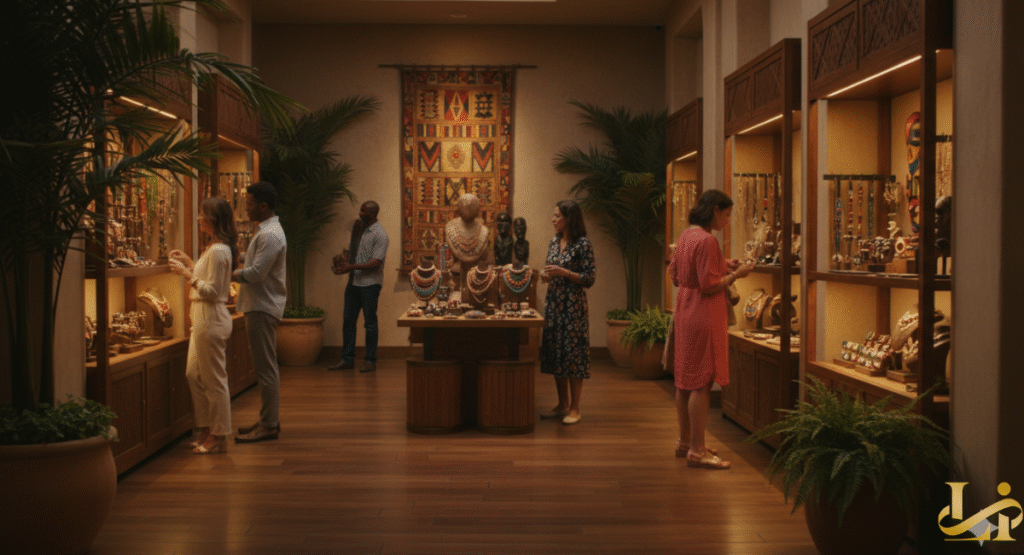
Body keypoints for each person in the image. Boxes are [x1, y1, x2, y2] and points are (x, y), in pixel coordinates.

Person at [670, 189, 751, 469]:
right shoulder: (707, 240)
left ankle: (685, 442)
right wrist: (735, 274)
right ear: (715, 210)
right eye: (727, 215)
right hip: (703, 313)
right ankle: (697, 449)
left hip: (685, 310)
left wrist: (724, 263)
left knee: (684, 380)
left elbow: (677, 275)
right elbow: (709, 285)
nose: (727, 221)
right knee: (701, 382)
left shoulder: (686, 235)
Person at [168, 198, 238, 454]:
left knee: (214, 380)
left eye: (201, 215)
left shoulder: (219, 251)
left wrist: (187, 275)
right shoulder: (215, 248)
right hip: (202, 317)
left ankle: (219, 433)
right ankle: (207, 427)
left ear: (213, 219)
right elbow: (207, 277)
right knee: (193, 374)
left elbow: (214, 290)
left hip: (210, 316)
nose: (198, 219)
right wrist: (190, 262)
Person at [233, 181, 287, 443]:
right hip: (260, 305)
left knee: (266, 369)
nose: (247, 207)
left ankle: (269, 424)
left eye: (250, 203)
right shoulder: (267, 231)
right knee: (265, 368)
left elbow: (256, 274)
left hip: (262, 306)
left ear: (263, 206)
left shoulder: (270, 234)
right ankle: (268, 419)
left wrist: (226, 275)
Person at [539, 200, 596, 425]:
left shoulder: (583, 244)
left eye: (557, 216)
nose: (553, 219)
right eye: (553, 216)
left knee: (573, 357)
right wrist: (546, 276)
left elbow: (589, 278)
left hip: (573, 308)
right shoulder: (554, 242)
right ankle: (562, 404)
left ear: (569, 219)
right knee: (556, 354)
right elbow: (550, 269)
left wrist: (563, 271)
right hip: (554, 304)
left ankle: (575, 408)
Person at [329, 200, 389, 373]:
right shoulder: (359, 228)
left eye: (363, 211)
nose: (360, 213)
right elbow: (354, 252)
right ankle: (347, 360)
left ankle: (370, 361)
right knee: (348, 321)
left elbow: (376, 263)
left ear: (372, 214)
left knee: (370, 324)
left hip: (370, 285)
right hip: (353, 283)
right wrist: (344, 262)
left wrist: (351, 267)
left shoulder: (380, 234)